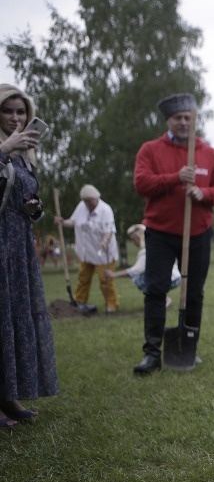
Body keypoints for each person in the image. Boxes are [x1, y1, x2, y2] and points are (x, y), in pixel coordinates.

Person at [132, 92, 214, 374]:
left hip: (198, 233)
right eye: (178, 118)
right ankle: (152, 353)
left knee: (194, 292)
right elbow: (141, 184)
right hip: (160, 232)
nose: (184, 122)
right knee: (155, 290)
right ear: (169, 121)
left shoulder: (209, 154)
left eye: (188, 117)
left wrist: (203, 193)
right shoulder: (151, 150)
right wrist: (175, 178)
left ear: (194, 120)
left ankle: (189, 346)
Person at [0, 83, 58, 427]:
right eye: (7, 111)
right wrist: (4, 149)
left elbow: (19, 200)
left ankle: (8, 396)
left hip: (18, 246)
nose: (15, 118)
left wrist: (33, 208)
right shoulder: (8, 149)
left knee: (13, 316)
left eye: (21, 112)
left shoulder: (25, 156)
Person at [54, 184, 120, 314]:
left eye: (90, 201)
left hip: (102, 253)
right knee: (83, 278)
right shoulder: (81, 207)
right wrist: (62, 222)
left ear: (96, 198)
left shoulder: (105, 210)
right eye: (85, 201)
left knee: (105, 280)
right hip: (86, 252)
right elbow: (73, 221)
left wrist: (105, 241)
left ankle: (111, 304)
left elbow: (109, 230)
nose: (87, 204)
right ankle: (79, 301)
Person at [106, 223, 182, 308]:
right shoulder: (158, 246)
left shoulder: (146, 252)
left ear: (139, 237)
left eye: (133, 239)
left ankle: (162, 299)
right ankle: (160, 298)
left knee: (138, 279)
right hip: (176, 277)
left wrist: (114, 275)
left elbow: (135, 271)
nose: (133, 242)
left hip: (171, 279)